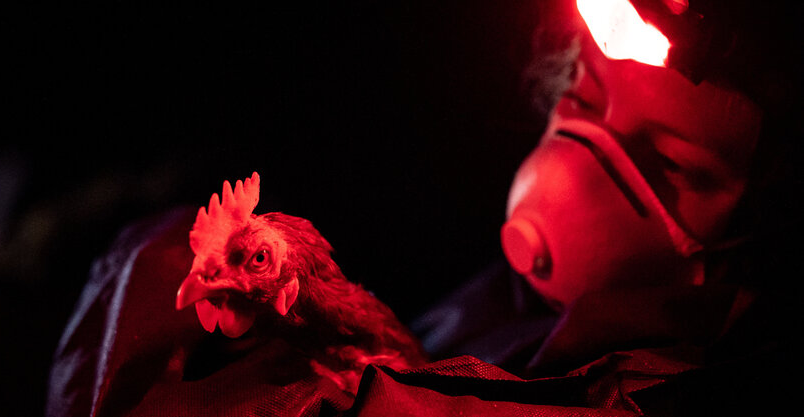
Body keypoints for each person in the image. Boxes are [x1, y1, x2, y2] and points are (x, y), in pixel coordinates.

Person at [47, 1, 802, 416]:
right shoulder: (504, 297)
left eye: (668, 165)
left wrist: (150, 259)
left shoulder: (651, 393)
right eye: (581, 98)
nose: (578, 169)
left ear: (764, 231)